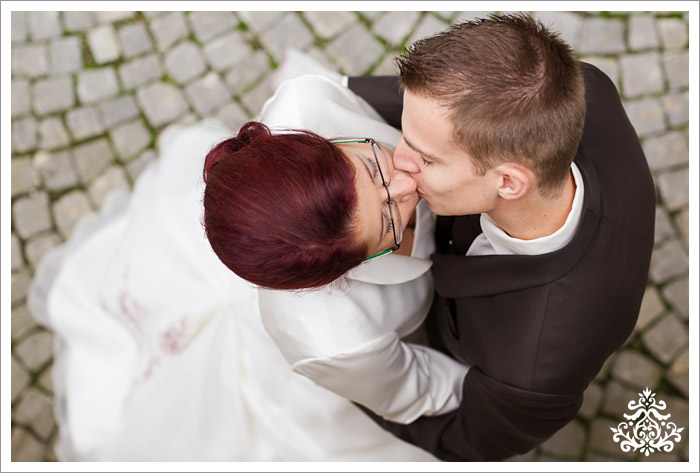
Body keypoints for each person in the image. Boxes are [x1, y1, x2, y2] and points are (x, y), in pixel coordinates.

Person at [27, 73, 469, 461]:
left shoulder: (308, 104)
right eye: (389, 222)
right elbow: (419, 387)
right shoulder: (336, 339)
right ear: (342, 272)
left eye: (373, 167)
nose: (407, 182)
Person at [341, 13, 656, 461]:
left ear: (509, 183)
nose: (398, 159)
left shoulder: (532, 371)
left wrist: (351, 385)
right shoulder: (578, 89)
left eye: (426, 160)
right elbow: (433, 114)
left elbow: (466, 441)